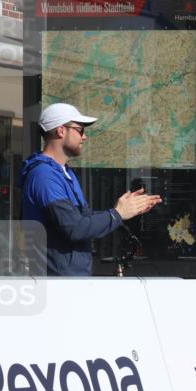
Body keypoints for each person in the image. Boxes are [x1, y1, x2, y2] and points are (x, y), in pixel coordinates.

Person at [21, 103, 161, 276]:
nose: (85, 136)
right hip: (58, 285)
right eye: (80, 130)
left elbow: (84, 219)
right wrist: (117, 214)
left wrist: (124, 209)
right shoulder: (43, 175)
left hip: (72, 280)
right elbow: (74, 228)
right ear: (61, 131)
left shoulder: (64, 172)